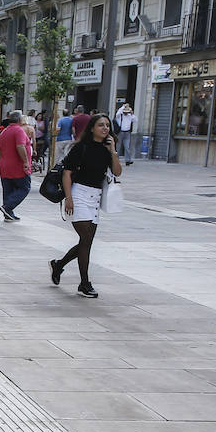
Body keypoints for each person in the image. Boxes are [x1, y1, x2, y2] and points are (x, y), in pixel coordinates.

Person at [52, 113, 122, 299]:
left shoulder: (107, 149)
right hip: (79, 194)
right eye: (101, 125)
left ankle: (59, 265)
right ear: (92, 128)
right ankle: (84, 283)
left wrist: (113, 151)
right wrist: (68, 198)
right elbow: (67, 173)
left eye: (107, 125)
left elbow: (117, 172)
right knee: (85, 239)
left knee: (86, 242)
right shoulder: (80, 148)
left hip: (95, 198)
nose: (105, 128)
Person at [0, 110, 33, 221]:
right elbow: (20, 146)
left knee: (8, 189)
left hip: (4, 165)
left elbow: (0, 149)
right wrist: (26, 162)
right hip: (17, 165)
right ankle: (7, 207)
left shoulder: (4, 132)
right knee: (24, 187)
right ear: (19, 119)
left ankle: (8, 214)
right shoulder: (19, 131)